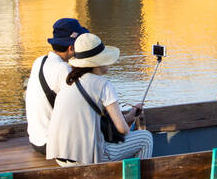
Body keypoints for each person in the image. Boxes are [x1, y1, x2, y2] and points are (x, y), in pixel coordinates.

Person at [46, 32, 153, 166]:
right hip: (84, 159)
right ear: (98, 62)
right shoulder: (104, 85)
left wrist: (130, 115)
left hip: (61, 157)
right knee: (145, 138)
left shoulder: (70, 82)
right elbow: (123, 130)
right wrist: (129, 120)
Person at [25, 17, 88, 156]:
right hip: (52, 145)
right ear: (71, 47)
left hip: (36, 140)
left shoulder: (39, 61)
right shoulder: (63, 70)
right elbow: (80, 109)